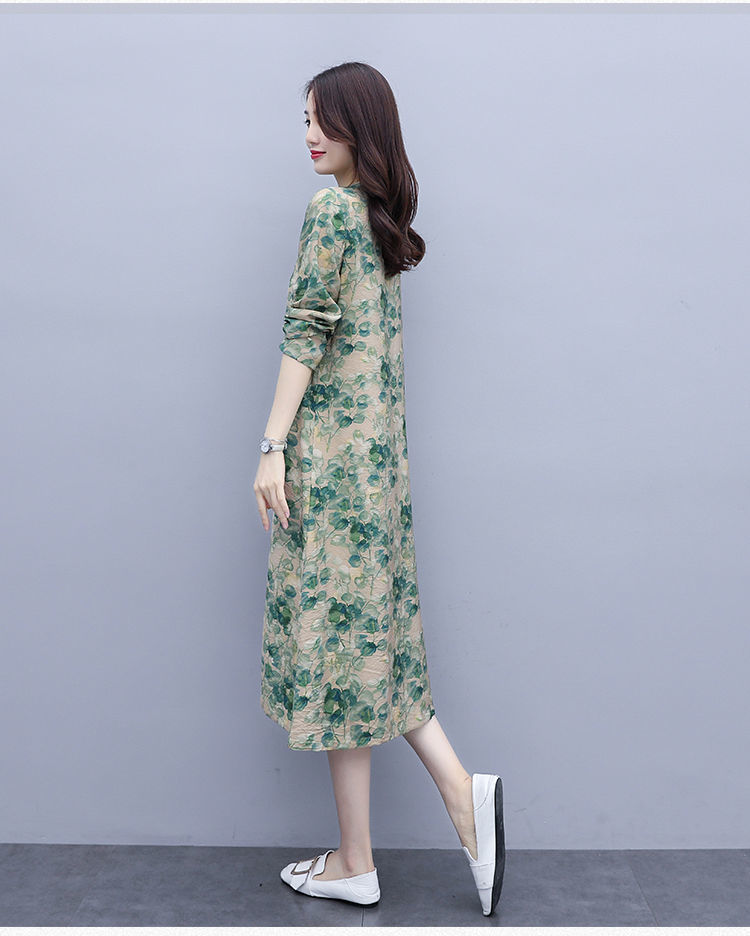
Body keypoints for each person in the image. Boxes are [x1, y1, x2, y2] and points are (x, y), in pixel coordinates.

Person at [253, 62, 505, 917]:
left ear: (361, 126)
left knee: (344, 656)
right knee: (364, 655)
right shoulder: (375, 220)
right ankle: (375, 848)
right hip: (378, 476)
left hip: (331, 473)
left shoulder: (332, 213)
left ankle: (447, 804)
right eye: (304, 119)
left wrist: (271, 447)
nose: (309, 135)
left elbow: (306, 331)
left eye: (323, 120)